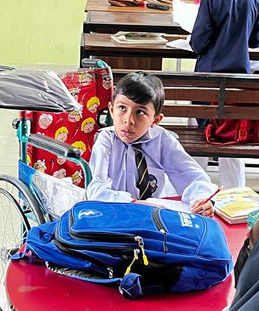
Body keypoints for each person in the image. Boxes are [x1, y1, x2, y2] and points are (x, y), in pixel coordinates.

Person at [189, 0, 259, 188]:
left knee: (198, 131)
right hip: (237, 87)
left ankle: (198, 188)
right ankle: (235, 194)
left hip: (206, 87)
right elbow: (255, 41)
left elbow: (197, 43)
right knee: (231, 139)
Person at [86, 72, 217, 215]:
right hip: (115, 214)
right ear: (111, 110)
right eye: (122, 108)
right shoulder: (106, 140)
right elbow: (96, 190)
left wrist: (202, 199)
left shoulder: (163, 140)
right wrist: (133, 203)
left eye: (140, 112)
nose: (129, 120)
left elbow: (193, 177)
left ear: (156, 120)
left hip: (156, 217)